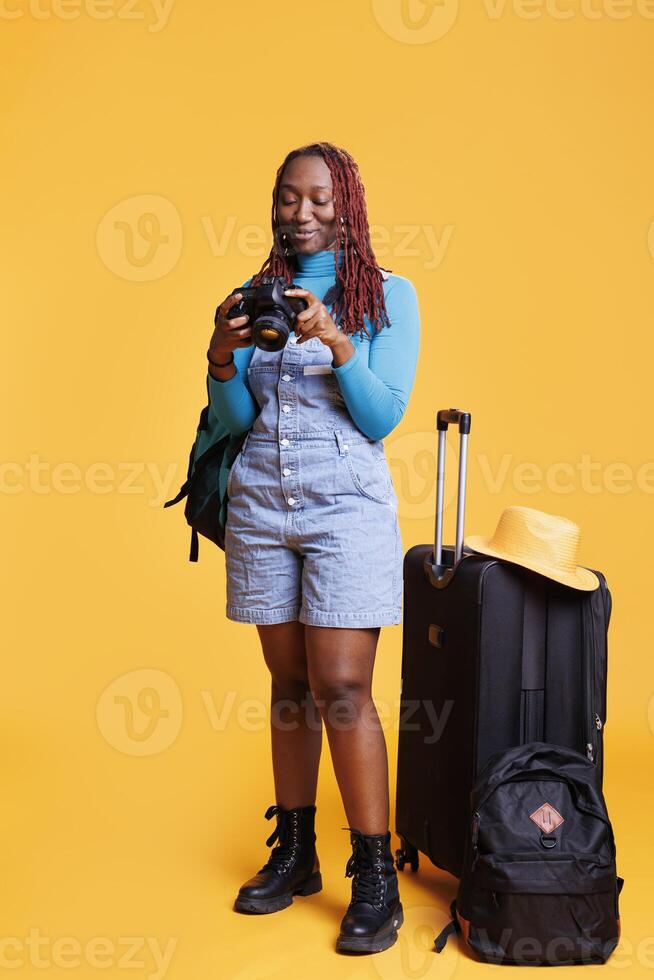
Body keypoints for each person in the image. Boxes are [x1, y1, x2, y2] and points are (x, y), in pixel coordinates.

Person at [206, 141, 420, 954]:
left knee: (341, 682)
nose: (305, 214)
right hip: (263, 504)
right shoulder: (252, 295)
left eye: (322, 200)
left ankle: (374, 877)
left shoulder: (389, 298)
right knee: (288, 679)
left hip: (345, 512)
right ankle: (295, 854)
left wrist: (335, 338)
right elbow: (234, 421)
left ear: (349, 206)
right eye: (291, 198)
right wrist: (221, 355)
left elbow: (380, 417)